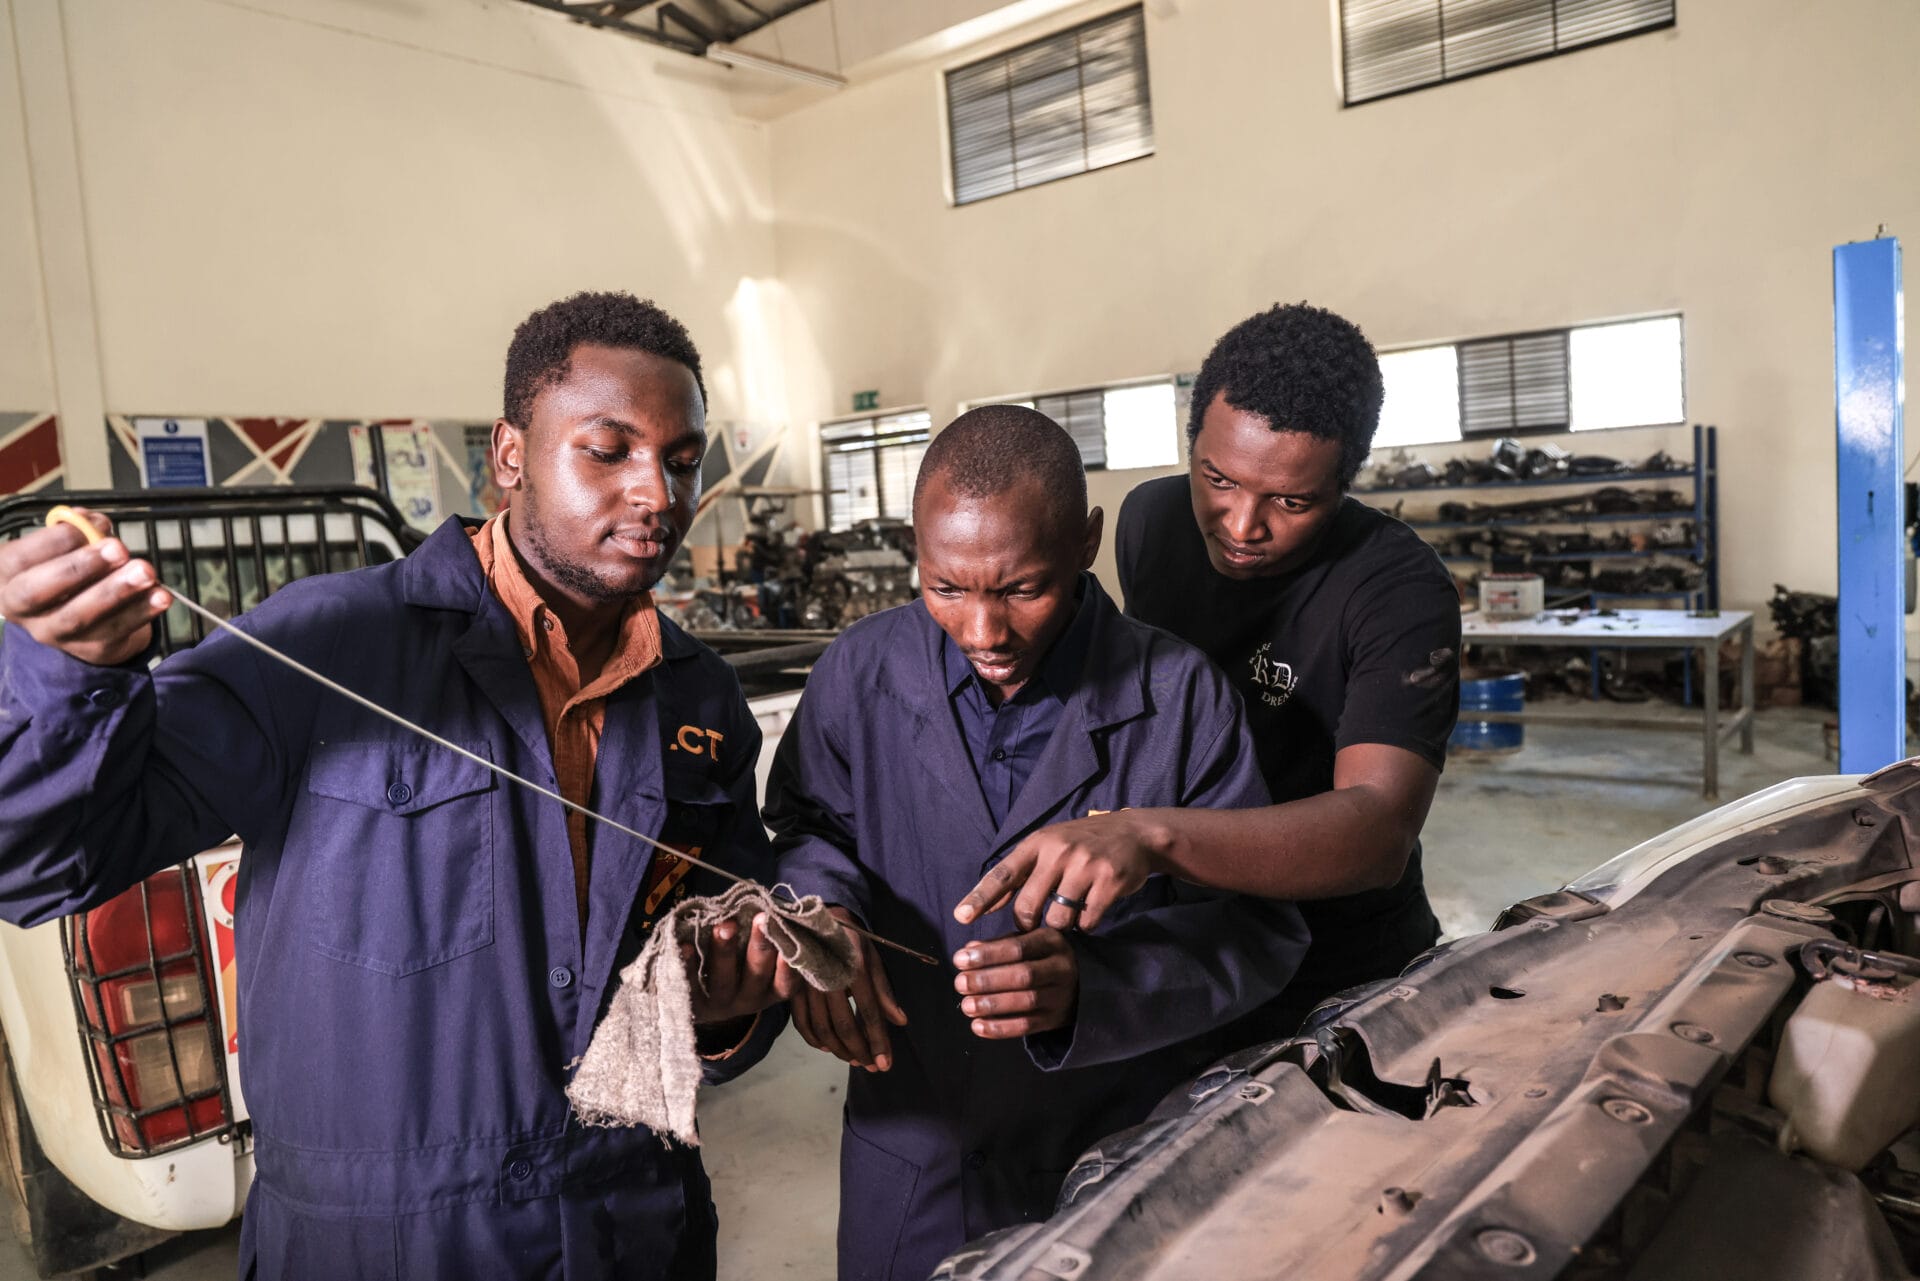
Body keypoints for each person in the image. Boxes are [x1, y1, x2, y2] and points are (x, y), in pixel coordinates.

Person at [0, 292, 787, 1280]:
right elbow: (38, 863)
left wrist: (731, 1008)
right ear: (510, 456)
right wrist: (55, 680)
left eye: (681, 460)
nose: (657, 495)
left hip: (633, 1223)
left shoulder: (698, 695)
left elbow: (730, 928)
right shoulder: (324, 646)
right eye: (609, 450)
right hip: (377, 1246)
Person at [763, 405, 1309, 1281]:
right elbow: (811, 826)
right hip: (913, 1151)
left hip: (1117, 1152)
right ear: (917, 546)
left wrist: (1096, 983)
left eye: (1022, 589)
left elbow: (1259, 933)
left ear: (1086, 539)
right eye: (946, 587)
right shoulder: (858, 675)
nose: (984, 633)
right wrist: (822, 908)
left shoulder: (1178, 699)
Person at [956, 303, 1461, 1041]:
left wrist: (1151, 837)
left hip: (1341, 964)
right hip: (1190, 948)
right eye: (1218, 478)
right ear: (1192, 442)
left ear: (1348, 480)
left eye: (1290, 500)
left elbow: (1378, 830)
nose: (1241, 524)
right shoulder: (1153, 521)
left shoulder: (1398, 590)